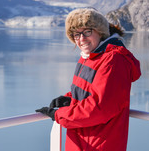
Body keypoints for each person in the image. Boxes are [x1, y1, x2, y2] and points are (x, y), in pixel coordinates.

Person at [36, 8, 141, 151]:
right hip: (81, 141)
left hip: (100, 145)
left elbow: (100, 107)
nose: (81, 39)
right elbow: (90, 91)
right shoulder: (89, 56)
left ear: (100, 31)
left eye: (87, 32)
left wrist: (59, 114)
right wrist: (71, 99)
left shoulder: (113, 60)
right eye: (76, 34)